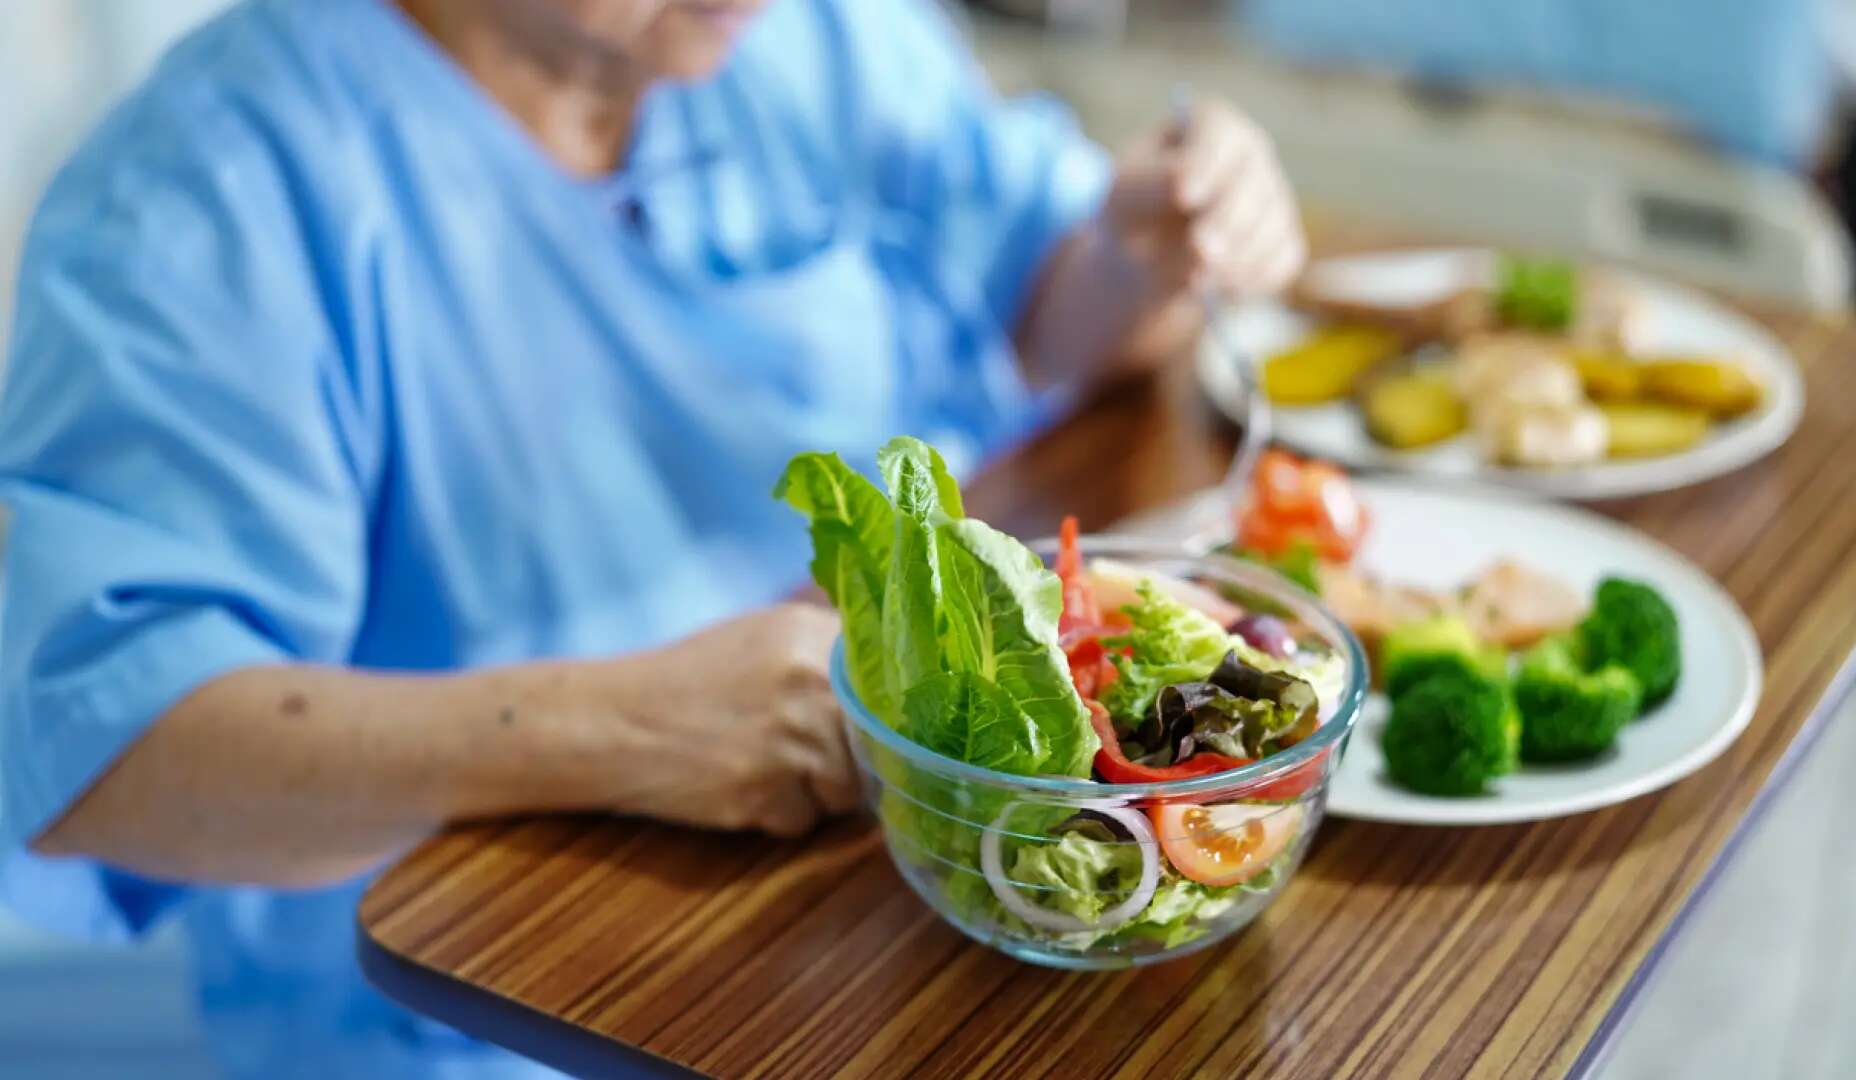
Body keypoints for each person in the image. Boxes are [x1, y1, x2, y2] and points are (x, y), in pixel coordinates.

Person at [0, 0, 1303, 1074]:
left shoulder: (808, 38)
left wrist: (1145, 256)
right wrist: (620, 733)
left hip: (865, 931)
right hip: (478, 1015)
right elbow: (103, 748)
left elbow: (1043, 315)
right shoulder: (214, 189)